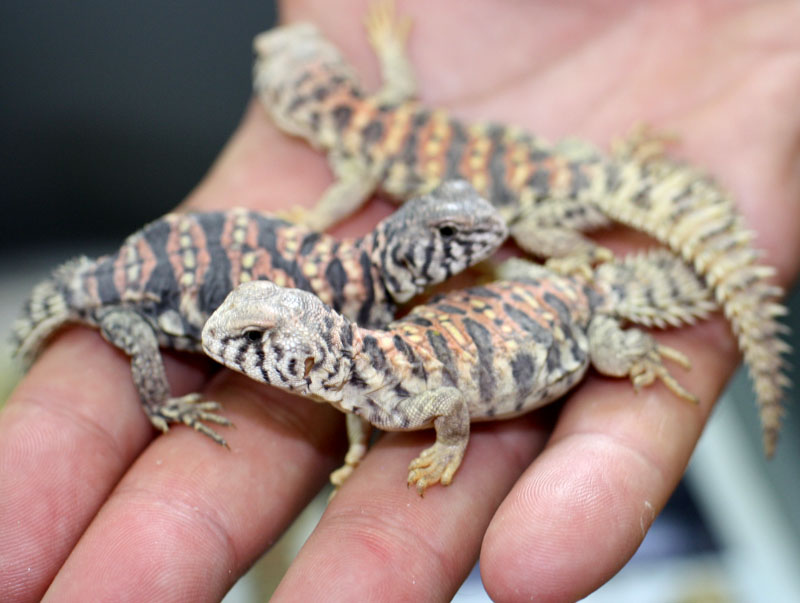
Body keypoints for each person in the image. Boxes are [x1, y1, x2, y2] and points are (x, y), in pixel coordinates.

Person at [1, 1, 798, 600]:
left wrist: (450, 444)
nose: (223, 346)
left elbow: (442, 393)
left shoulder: (376, 371)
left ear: (305, 353)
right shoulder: (360, 370)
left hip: (562, 302)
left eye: (248, 342)